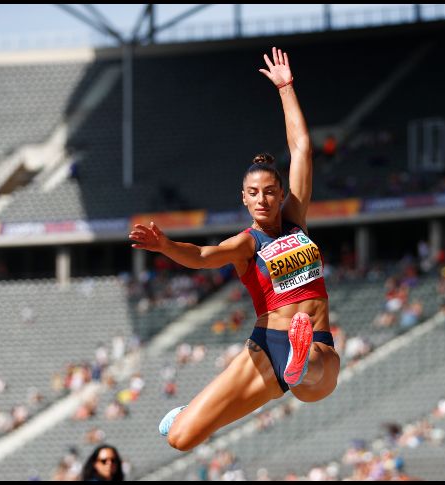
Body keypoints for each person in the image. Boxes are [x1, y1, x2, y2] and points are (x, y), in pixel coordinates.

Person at [129, 47, 340, 451]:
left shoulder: (296, 220)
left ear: (282, 195)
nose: (262, 199)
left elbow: (301, 149)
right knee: (180, 439)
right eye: (253, 193)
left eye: (270, 191)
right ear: (244, 198)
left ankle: (298, 364)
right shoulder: (246, 243)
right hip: (269, 343)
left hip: (315, 340)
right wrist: (165, 245)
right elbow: (202, 257)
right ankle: (199, 408)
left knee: (317, 379)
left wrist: (286, 88)